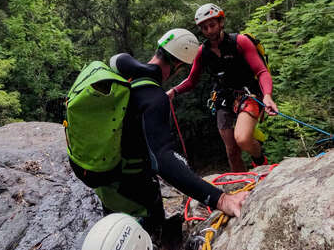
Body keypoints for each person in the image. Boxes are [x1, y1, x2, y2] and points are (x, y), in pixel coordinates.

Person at [91, 28, 249, 248]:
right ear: (177, 67)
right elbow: (164, 161)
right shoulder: (154, 98)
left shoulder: (124, 75)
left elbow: (118, 59)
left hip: (104, 179)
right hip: (132, 190)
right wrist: (220, 199)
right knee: (146, 236)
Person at [167, 4, 279, 172]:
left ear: (221, 22)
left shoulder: (240, 42)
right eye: (204, 28)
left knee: (242, 138)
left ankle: (261, 162)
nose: (209, 30)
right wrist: (173, 91)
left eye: (212, 25)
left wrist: (267, 96)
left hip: (249, 94)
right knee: (232, 151)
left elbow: (261, 71)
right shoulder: (202, 52)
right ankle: (240, 184)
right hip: (223, 98)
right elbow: (192, 80)